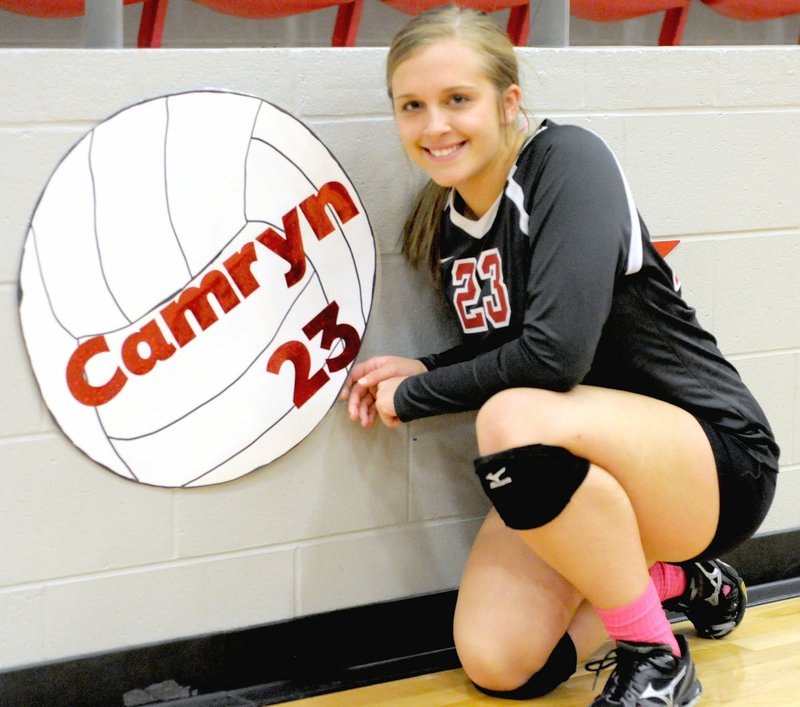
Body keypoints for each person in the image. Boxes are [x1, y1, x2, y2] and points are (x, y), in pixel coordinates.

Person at [340, 5, 780, 705]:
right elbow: (507, 340)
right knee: (500, 659)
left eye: (458, 100)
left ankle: (654, 655)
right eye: (411, 106)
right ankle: (681, 579)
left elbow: (554, 357)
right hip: (588, 468)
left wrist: (419, 395)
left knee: (510, 418)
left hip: (713, 460)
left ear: (507, 101)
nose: (435, 126)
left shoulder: (568, 160)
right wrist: (425, 365)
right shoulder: (450, 223)